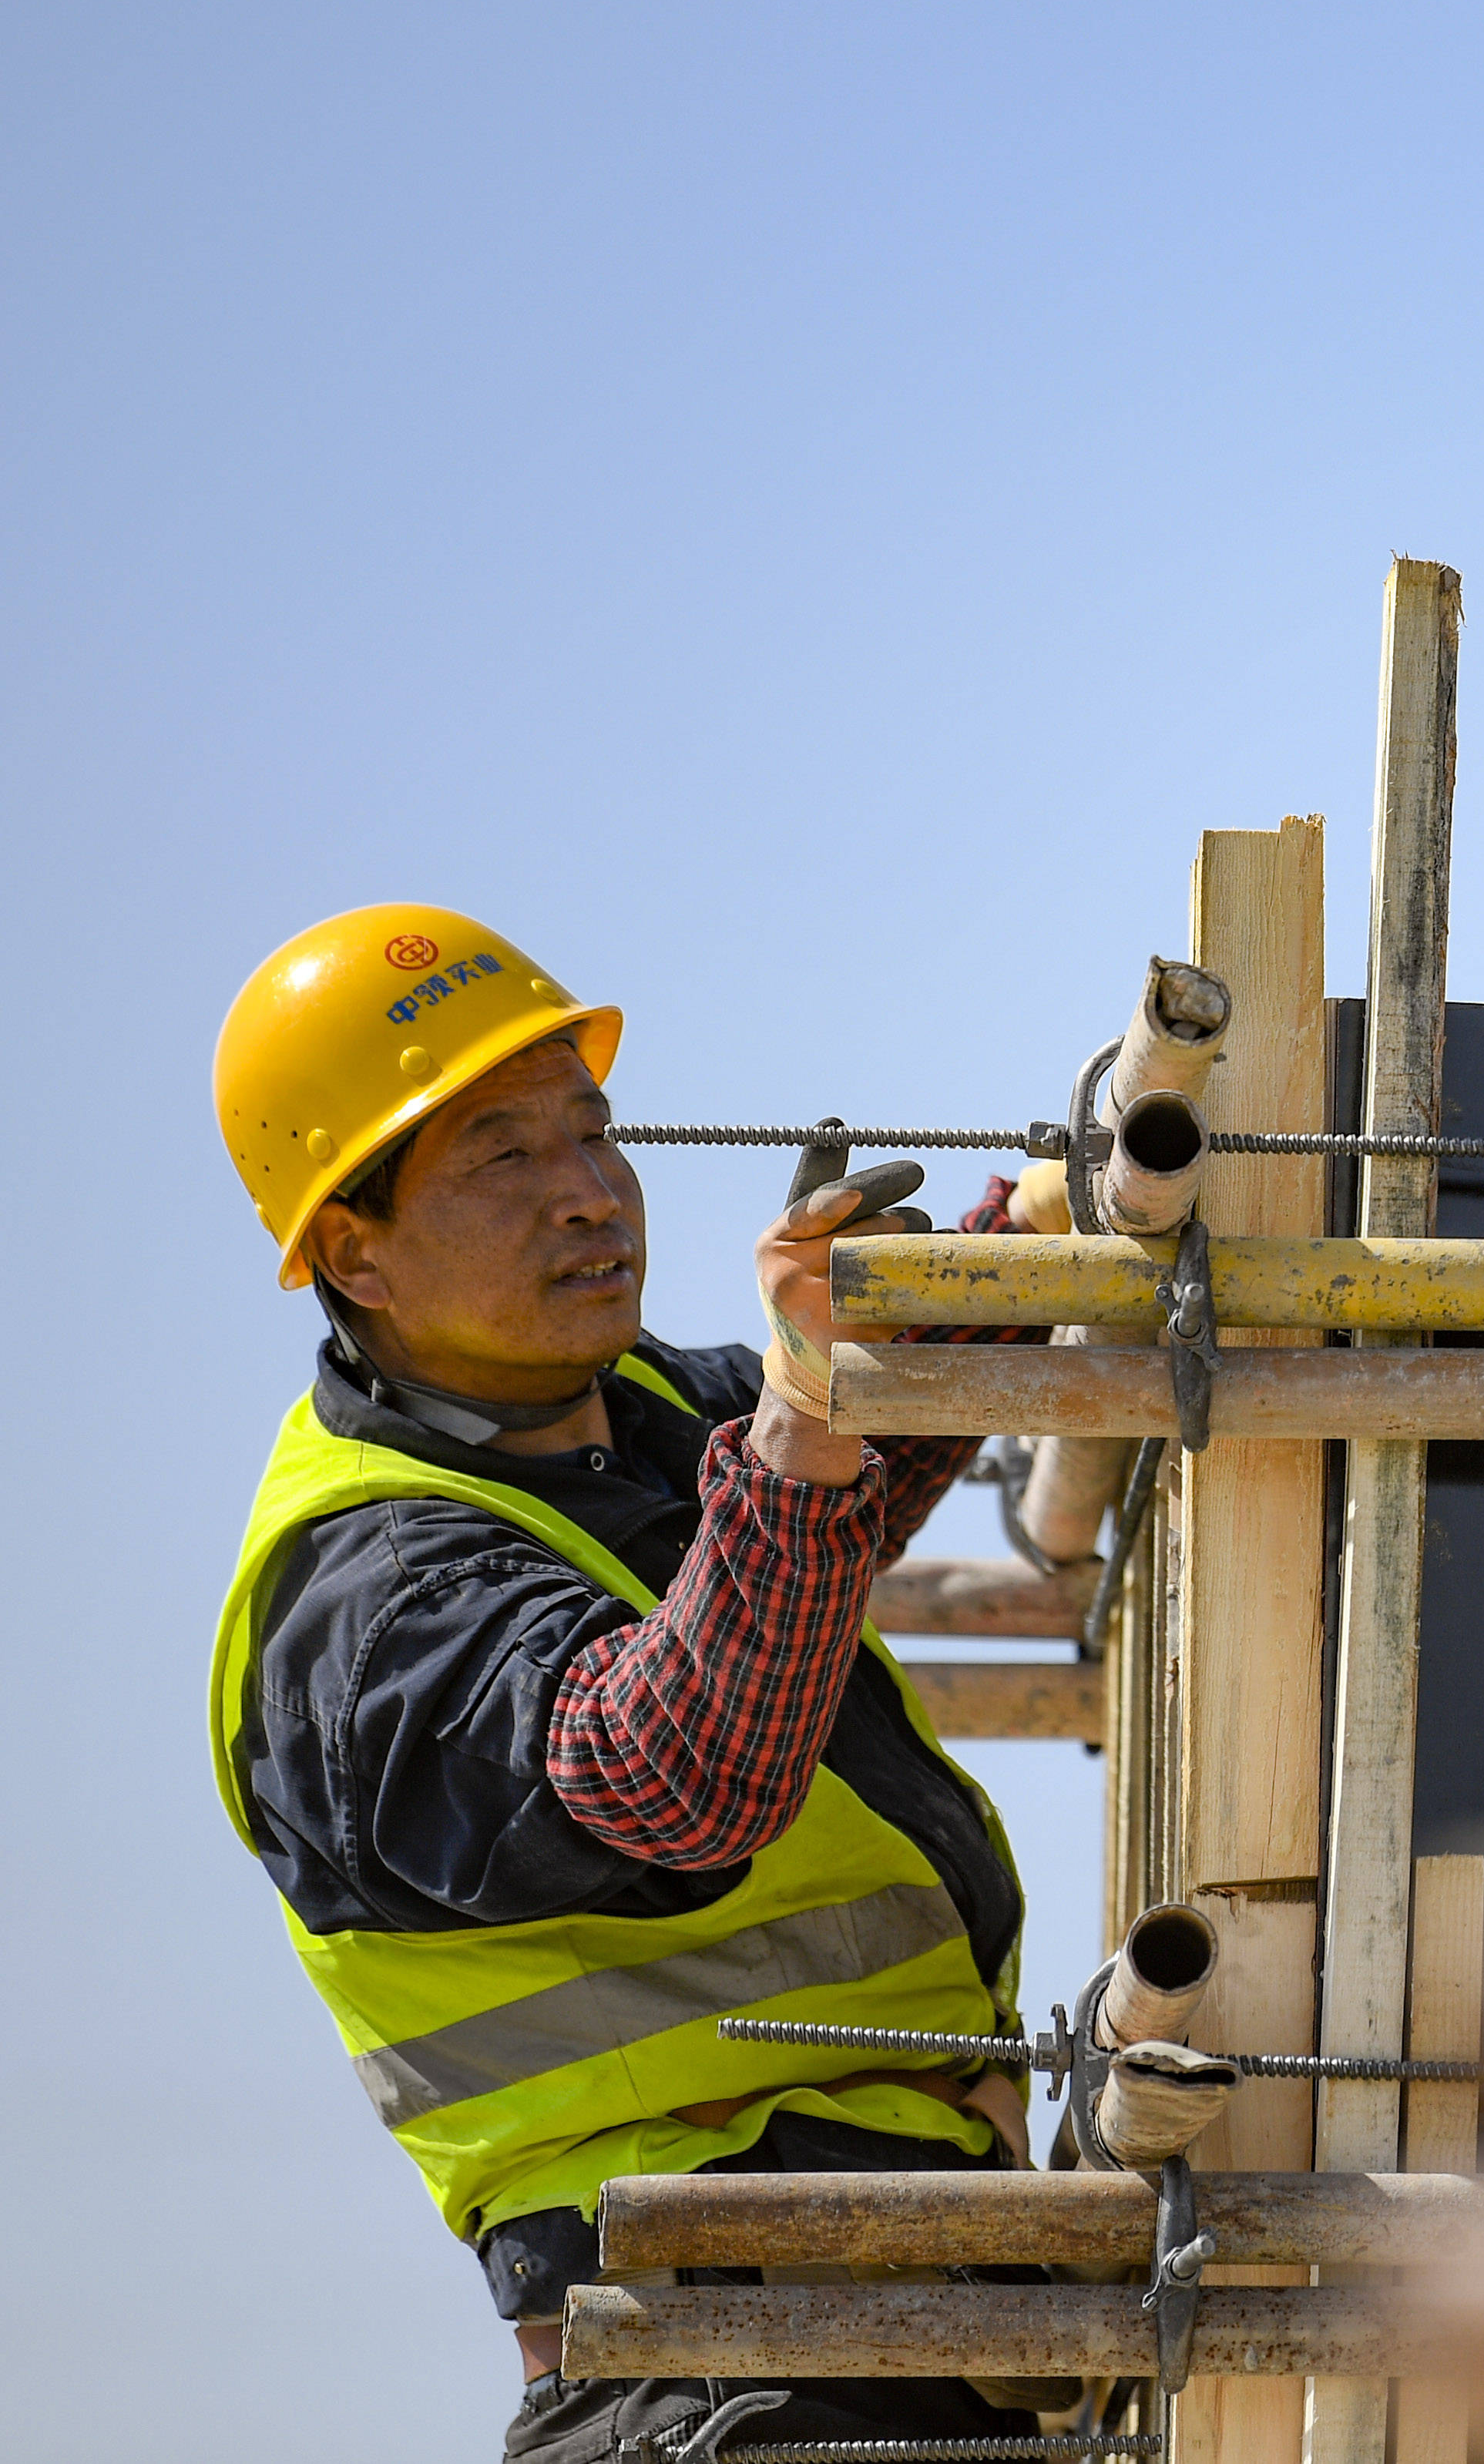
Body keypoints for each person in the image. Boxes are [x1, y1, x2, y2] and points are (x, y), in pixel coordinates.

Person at [205, 904, 1069, 2462]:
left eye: (593, 1134)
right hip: (704, 2370)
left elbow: (840, 1487)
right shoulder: (365, 1603)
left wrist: (1030, 1243)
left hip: (890, 2328)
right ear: (354, 1248)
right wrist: (811, 1411)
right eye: (503, 1159)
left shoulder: (638, 1410)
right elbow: (682, 1774)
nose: (589, 1196)